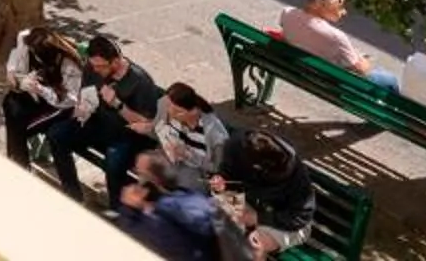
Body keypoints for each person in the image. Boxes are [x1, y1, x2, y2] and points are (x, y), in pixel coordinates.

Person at [44, 31, 161, 197]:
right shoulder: (92, 68)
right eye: (93, 66)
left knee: (113, 163)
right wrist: (82, 107)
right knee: (56, 134)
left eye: (101, 67)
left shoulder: (140, 81)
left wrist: (118, 104)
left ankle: (117, 210)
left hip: (126, 135)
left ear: (115, 61)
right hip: (97, 122)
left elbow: (147, 125)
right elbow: (84, 93)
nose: (96, 70)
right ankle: (72, 194)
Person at [212, 127, 318, 255]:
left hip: (284, 221)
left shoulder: (295, 173)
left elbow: (301, 217)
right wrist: (222, 188)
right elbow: (227, 179)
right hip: (249, 205)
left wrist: (258, 218)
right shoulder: (236, 148)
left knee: (253, 247)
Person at [279, 0, 398, 90]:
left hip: (299, 69)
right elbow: (363, 71)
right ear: (320, 4)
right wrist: (361, 58)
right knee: (390, 79)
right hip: (330, 83)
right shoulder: (336, 36)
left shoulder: (287, 12)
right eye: (339, 6)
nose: (344, 12)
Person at [111, 159, 223, 261]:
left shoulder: (171, 202)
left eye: (142, 174)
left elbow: (208, 223)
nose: (139, 181)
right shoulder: (157, 212)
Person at [0, 25, 81, 165]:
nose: (32, 55)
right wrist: (13, 74)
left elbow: (69, 100)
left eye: (36, 55)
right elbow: (17, 54)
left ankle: (18, 163)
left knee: (18, 128)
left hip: (60, 106)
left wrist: (40, 89)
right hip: (39, 96)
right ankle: (18, 163)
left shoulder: (69, 64)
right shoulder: (30, 39)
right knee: (10, 102)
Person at [154, 84, 232, 193]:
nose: (170, 112)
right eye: (168, 106)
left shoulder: (214, 133)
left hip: (201, 173)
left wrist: (188, 154)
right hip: (180, 163)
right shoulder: (176, 119)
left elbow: (216, 167)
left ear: (191, 112)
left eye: (176, 111)